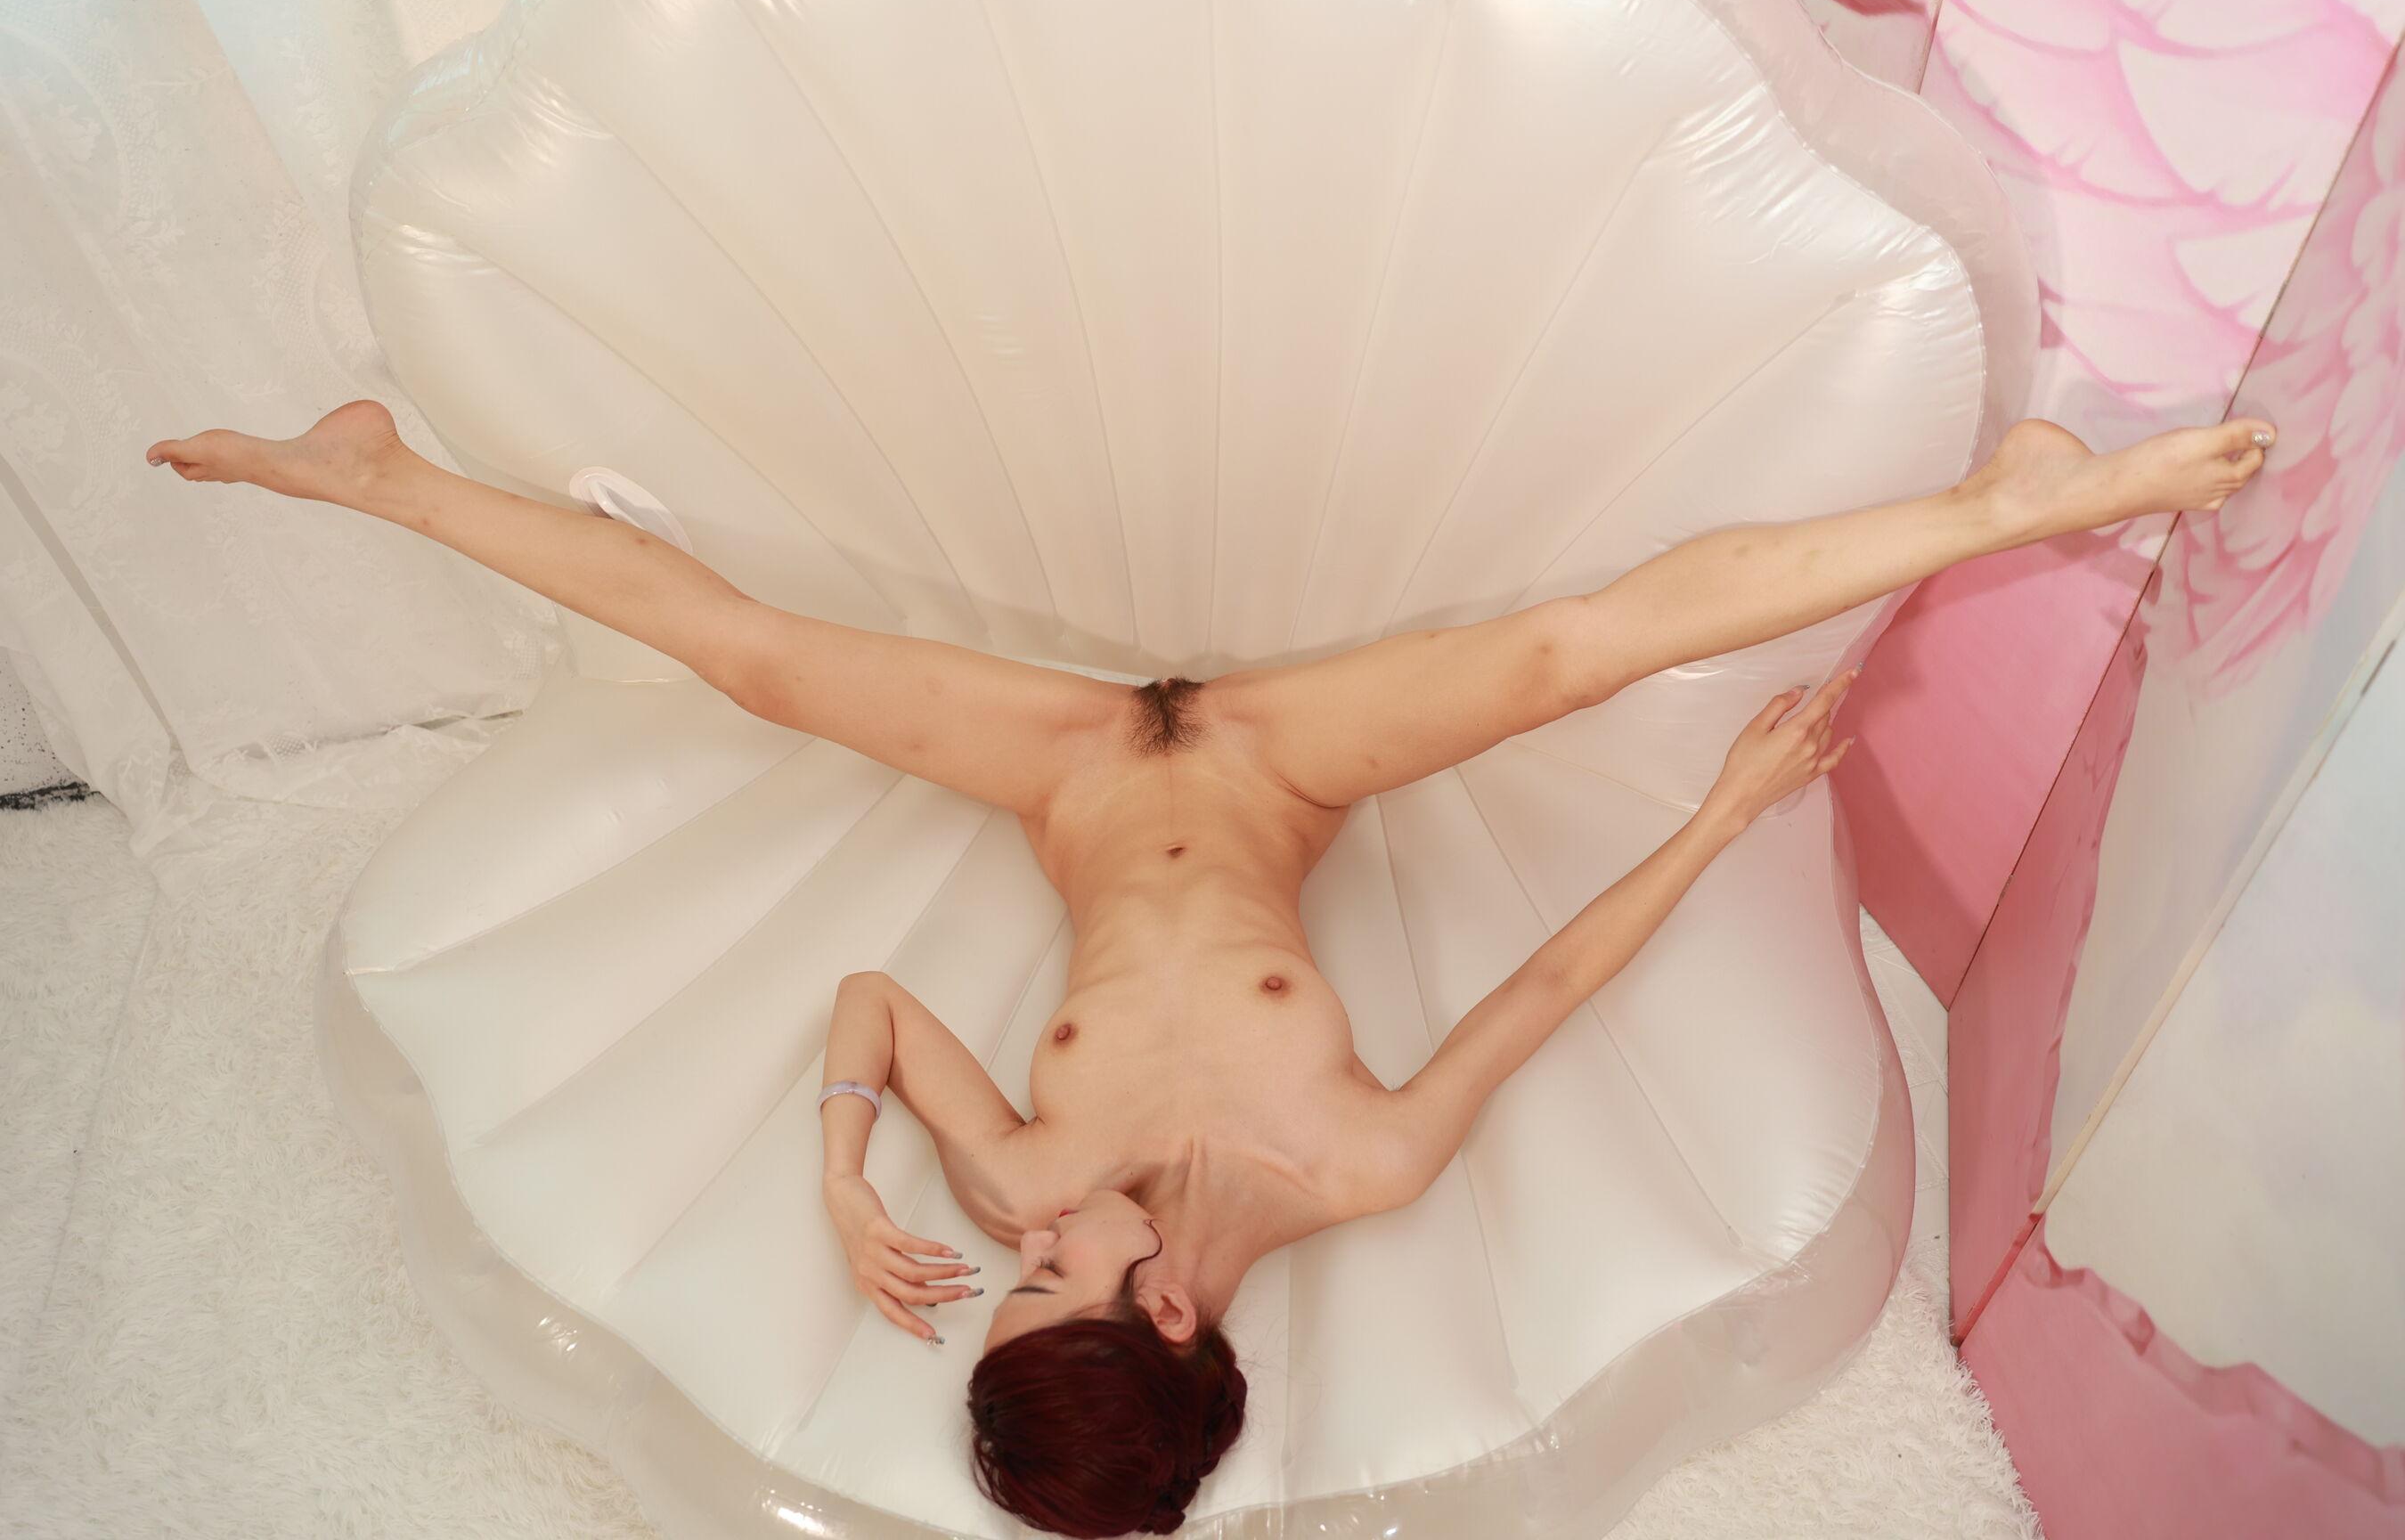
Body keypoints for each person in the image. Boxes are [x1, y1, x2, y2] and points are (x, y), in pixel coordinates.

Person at [147, 401, 2273, 1537]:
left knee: (758, 661)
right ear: (1166, 1310)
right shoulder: (1356, 1167)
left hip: (1071, 773)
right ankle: (2007, 507)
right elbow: (1543, 996)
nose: (1021, 1247)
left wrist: (845, 1177)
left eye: (1006, 1279)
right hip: (1269, 764)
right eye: (1047, 1284)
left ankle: (380, 474)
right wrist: (1719, 818)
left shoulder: (1019, 1174)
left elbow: (870, 1003)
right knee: (1574, 651)